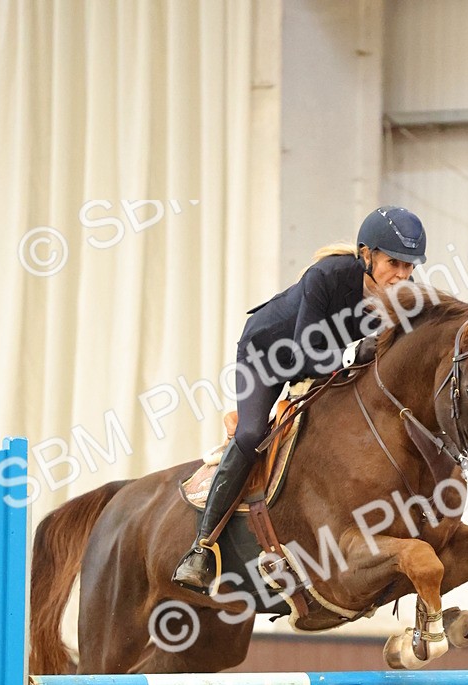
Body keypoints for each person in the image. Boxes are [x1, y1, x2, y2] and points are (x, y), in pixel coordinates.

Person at [172, 206, 427, 593]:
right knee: (253, 434)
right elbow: (302, 358)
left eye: (410, 266)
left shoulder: (396, 301)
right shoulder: (325, 276)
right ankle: (201, 548)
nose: (403, 275)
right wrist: (348, 356)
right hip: (268, 357)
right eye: (394, 262)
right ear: (366, 255)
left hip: (321, 367)